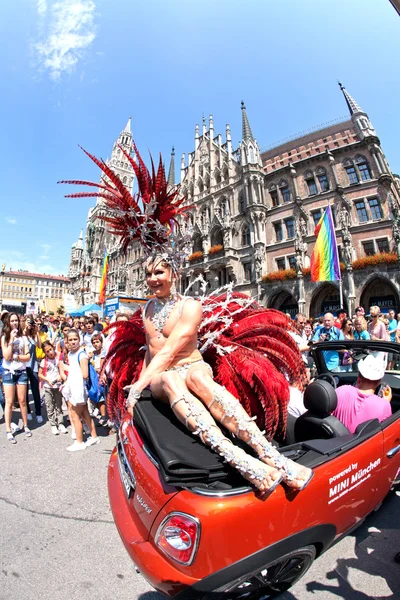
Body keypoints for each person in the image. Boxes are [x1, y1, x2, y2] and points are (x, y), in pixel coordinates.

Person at [63, 139, 313, 494]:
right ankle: (244, 462)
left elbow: (174, 347)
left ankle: (272, 457)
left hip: (191, 366)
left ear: (174, 274)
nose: (152, 279)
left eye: (159, 273)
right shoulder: (147, 310)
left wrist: (137, 385)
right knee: (170, 382)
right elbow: (154, 353)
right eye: (149, 274)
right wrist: (141, 383)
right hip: (162, 378)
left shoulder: (190, 306)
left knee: (200, 382)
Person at [333, 354, 392, 433]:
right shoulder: (383, 406)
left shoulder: (341, 390)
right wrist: (386, 402)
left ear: (359, 379)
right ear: (378, 382)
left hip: (337, 443)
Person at [62, 329, 99, 451]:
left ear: (79, 340)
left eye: (75, 339)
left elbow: (84, 374)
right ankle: (94, 436)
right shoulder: (72, 353)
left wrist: (68, 368)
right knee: (85, 413)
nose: (73, 342)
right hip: (74, 388)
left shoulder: (81, 355)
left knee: (74, 415)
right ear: (66, 341)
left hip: (80, 389)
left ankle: (79, 442)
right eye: (70, 339)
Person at [1, 313, 32, 443]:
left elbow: (27, 356)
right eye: (12, 321)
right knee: (9, 402)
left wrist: (17, 357)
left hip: (21, 372)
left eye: (16, 321)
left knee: (22, 400)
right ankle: (8, 430)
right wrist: (12, 340)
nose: (14, 323)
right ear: (8, 323)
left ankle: (25, 425)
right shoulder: (4, 338)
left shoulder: (24, 338)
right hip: (8, 371)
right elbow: (6, 356)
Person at [39, 341, 67, 435]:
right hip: (48, 387)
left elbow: (63, 369)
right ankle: (53, 424)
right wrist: (47, 380)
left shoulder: (59, 358)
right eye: (47, 351)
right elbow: (40, 374)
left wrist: (60, 376)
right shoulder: (44, 361)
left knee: (58, 405)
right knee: (50, 406)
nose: (50, 352)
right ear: (45, 352)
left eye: (50, 349)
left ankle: (61, 423)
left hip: (57, 386)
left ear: (53, 347)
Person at [23, 317, 43, 423]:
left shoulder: (34, 334)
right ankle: (28, 411)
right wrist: (25, 329)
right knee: (24, 390)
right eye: (28, 322)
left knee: (35, 390)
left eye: (31, 323)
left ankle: (38, 413)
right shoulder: (22, 334)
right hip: (23, 366)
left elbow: (39, 345)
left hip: (33, 365)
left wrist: (37, 331)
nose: (30, 324)